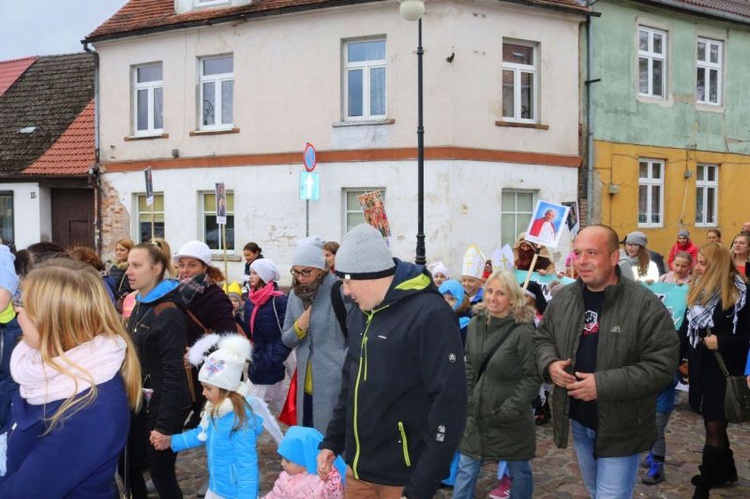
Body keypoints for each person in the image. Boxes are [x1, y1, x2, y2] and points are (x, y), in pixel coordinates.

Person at [318, 224, 467, 498]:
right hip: (358, 469)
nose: (346, 292)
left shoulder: (430, 314)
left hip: (404, 477)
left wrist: (422, 485)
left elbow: (450, 404)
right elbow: (350, 384)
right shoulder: (360, 311)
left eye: (348, 281)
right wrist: (332, 441)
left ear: (371, 275)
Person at [534, 224, 679, 498]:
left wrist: (601, 385)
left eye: (591, 253)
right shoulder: (564, 298)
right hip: (578, 418)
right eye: (577, 253)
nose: (582, 261)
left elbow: (662, 367)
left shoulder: (645, 305)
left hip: (621, 424)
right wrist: (549, 364)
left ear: (614, 257)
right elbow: (542, 340)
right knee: (594, 490)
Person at [0, 260, 141, 497]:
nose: (16, 310)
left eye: (24, 303)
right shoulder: (42, 367)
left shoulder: (91, 409)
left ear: (54, 320)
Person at [452, 271, 539, 499]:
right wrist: (469, 399)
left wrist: (509, 409)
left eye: (500, 293)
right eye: (489, 291)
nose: (492, 297)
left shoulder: (523, 331)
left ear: (512, 298)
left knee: (519, 470)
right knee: (467, 466)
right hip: (477, 412)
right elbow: (469, 364)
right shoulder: (476, 323)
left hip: (509, 416)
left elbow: (532, 376)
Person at [150, 334, 264, 499]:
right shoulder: (216, 410)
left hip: (233, 494)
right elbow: (201, 433)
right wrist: (171, 441)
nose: (203, 393)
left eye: (208, 388)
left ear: (225, 388)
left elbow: (247, 466)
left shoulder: (239, 422)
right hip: (216, 487)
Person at [679, 243, 749, 498]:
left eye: (704, 263)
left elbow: (746, 336)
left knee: (714, 426)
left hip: (725, 367)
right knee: (712, 421)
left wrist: (723, 341)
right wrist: (678, 358)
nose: (698, 267)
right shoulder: (699, 290)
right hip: (701, 365)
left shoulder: (741, 292)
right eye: (699, 262)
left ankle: (704, 484)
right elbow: (686, 329)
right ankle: (726, 470)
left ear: (718, 264)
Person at [124, 243, 191, 498]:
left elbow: (173, 373)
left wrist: (163, 426)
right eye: (128, 264)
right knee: (127, 466)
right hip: (139, 402)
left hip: (163, 406)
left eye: (136, 265)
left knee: (162, 475)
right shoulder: (140, 302)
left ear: (157, 268)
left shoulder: (168, 311)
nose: (129, 271)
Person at [281, 237, 347, 434]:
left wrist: (342, 364)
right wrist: (300, 326)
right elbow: (286, 338)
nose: (300, 277)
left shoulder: (340, 291)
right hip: (305, 387)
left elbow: (356, 336)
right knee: (309, 441)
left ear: (321, 268)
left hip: (335, 384)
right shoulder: (294, 294)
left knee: (332, 443)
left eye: (306, 272)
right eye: (296, 271)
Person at [173, 240, 238, 428]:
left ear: (204, 268)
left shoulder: (216, 297)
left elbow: (227, 337)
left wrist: (197, 352)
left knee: (200, 411)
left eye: (192, 265)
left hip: (201, 371)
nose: (184, 270)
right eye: (182, 264)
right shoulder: (175, 292)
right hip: (177, 368)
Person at [245, 258, 291, 414]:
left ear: (264, 277)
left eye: (255, 273)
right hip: (257, 353)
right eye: (250, 272)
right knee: (275, 397)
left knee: (253, 402)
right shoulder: (251, 298)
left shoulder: (278, 300)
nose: (250, 276)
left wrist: (276, 355)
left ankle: (293, 426)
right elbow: (249, 327)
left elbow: (286, 329)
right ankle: (292, 425)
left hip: (271, 355)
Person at [264, 426, 345, 499]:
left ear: (305, 463)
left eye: (287, 461)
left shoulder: (319, 481)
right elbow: (274, 496)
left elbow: (335, 494)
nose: (282, 463)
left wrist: (331, 474)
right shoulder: (284, 478)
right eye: (282, 458)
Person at [438, 279, 472, 345]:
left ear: (460, 300)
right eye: (443, 298)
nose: (446, 302)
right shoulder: (437, 316)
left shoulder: (465, 323)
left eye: (451, 299)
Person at [108, 238, 134, 307]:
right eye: (117, 250)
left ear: (130, 251)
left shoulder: (131, 267)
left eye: (122, 250)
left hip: (124, 303)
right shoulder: (113, 266)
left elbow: (128, 288)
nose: (118, 252)